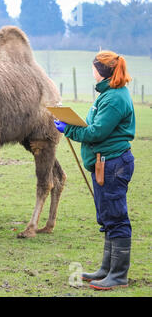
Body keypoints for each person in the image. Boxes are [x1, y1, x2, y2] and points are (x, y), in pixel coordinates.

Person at [55, 50, 135, 290]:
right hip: (105, 163)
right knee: (108, 217)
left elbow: (96, 133)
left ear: (101, 71)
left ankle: (118, 275)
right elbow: (94, 127)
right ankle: (107, 269)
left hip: (112, 165)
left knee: (116, 218)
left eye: (94, 68)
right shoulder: (108, 95)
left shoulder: (114, 99)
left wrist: (68, 129)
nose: (92, 71)